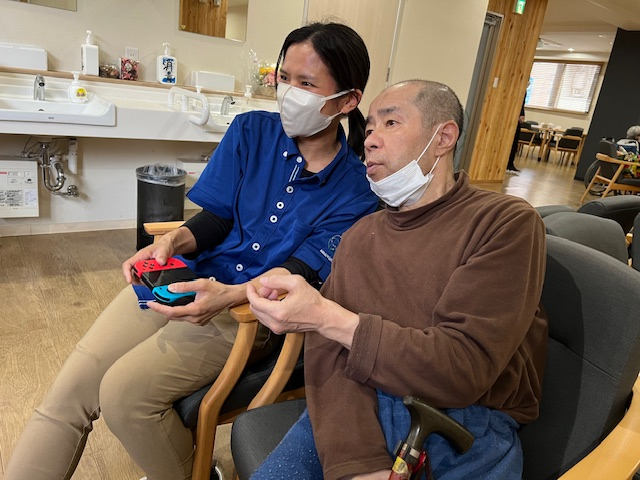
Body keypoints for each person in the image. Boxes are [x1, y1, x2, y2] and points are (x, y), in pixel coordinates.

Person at [5, 22, 379, 480]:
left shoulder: (356, 191)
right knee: (69, 393)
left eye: (306, 84)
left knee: (122, 396)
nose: (288, 94)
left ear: (347, 100)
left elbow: (296, 271)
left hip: (247, 311)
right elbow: (216, 219)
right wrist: (171, 242)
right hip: (186, 277)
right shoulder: (250, 131)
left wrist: (228, 296)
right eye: (284, 78)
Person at [246, 80, 548, 480]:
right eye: (369, 128)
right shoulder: (360, 235)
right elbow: (329, 352)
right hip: (355, 403)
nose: (370, 140)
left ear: (443, 138)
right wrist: (358, 461)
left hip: (458, 424)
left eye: (390, 123)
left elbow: (463, 370)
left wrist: (327, 317)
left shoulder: (504, 223)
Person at [506, 95, 526, 174]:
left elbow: (522, 103)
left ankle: (510, 163)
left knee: (514, 142)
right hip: (511, 114)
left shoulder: (524, 91)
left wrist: (522, 114)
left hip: (517, 116)